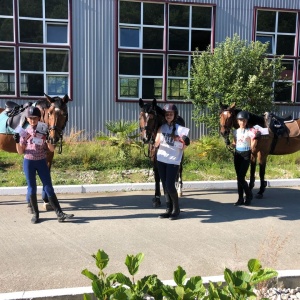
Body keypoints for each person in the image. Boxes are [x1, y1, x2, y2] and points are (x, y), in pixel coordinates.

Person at [13, 106, 74, 224]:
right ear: (27, 119)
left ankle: (60, 214)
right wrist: (17, 141)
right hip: (29, 162)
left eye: (35, 118)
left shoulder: (44, 129)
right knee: (32, 187)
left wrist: (50, 140)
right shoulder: (24, 132)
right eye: (30, 118)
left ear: (39, 118)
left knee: (48, 186)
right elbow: (20, 151)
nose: (32, 120)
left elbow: (51, 150)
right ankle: (36, 214)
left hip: (41, 161)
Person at [154, 104, 190, 220]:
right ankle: (168, 209)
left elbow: (184, 146)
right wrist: (153, 141)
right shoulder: (162, 128)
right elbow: (156, 142)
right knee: (164, 184)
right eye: (167, 114)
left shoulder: (180, 129)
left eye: (171, 114)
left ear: (174, 115)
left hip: (173, 160)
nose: (169, 115)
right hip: (161, 159)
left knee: (170, 184)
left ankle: (176, 209)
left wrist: (186, 141)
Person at [232, 111, 258, 206]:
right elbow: (235, 143)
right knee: (238, 178)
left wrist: (255, 139)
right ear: (238, 121)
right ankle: (240, 199)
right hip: (237, 154)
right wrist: (230, 144)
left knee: (241, 177)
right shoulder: (235, 131)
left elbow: (252, 145)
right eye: (240, 120)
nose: (242, 122)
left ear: (246, 121)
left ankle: (249, 194)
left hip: (246, 155)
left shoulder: (250, 131)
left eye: (244, 120)